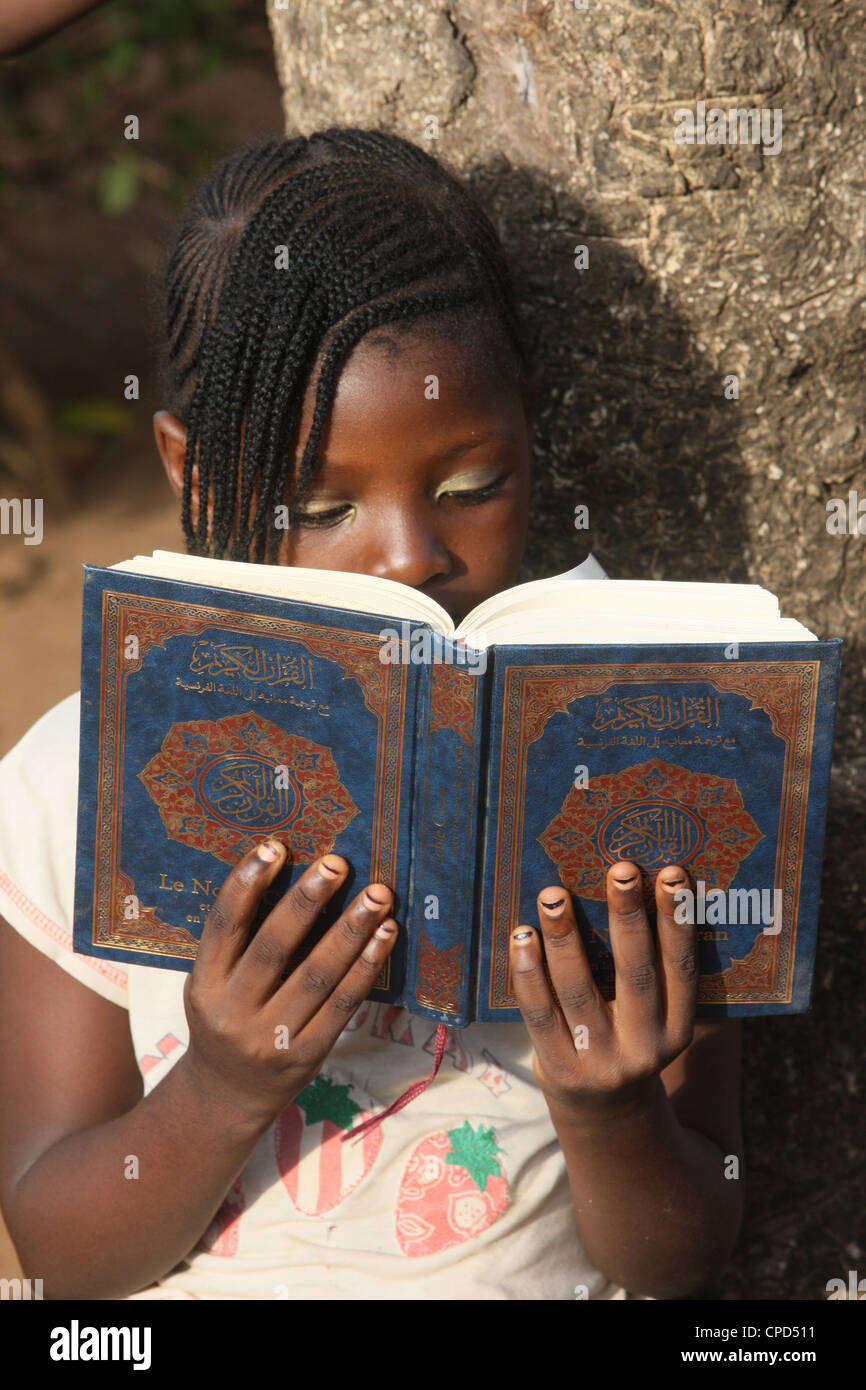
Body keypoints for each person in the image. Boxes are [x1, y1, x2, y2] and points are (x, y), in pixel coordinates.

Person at [0, 127, 743, 1300]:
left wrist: (606, 1112)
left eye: (469, 487)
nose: (407, 559)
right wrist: (220, 1088)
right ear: (191, 473)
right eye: (318, 502)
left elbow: (686, 1249)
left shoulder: (641, 768)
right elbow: (59, 1253)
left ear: (528, 425)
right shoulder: (72, 779)